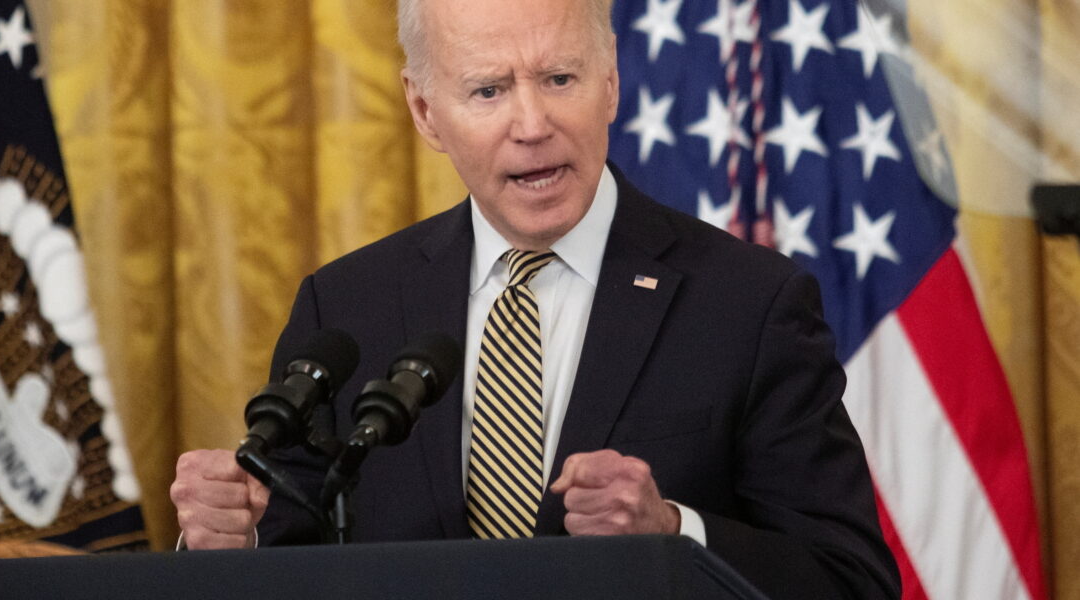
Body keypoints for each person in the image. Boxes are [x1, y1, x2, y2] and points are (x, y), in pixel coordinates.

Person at [170, 0, 901, 597]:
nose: (532, 125)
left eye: (558, 78)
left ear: (610, 80)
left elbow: (851, 580)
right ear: (425, 111)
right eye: (488, 90)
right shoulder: (345, 308)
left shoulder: (749, 304)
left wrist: (673, 532)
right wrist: (232, 541)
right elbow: (292, 556)